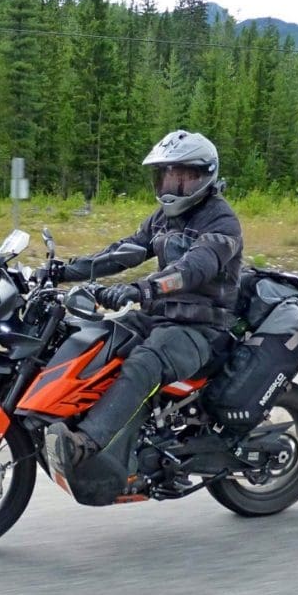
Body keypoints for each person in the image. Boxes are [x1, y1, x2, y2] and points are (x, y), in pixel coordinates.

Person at [48, 129, 244, 470]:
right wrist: (62, 271)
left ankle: (87, 443)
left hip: (202, 329)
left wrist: (142, 290)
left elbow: (192, 269)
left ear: (203, 176)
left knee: (144, 362)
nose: (171, 186)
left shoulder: (222, 221)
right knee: (96, 339)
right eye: (166, 176)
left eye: (180, 177)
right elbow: (122, 252)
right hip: (161, 317)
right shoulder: (164, 219)